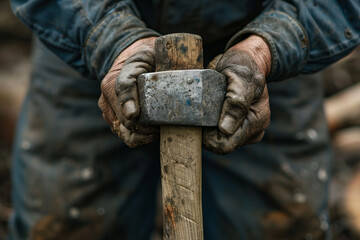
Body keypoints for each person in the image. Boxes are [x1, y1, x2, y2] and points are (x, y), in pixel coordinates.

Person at [9, 0, 360, 239]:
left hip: (264, 56)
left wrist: (271, 44)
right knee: (67, 226)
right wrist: (109, 38)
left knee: (281, 226)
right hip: (89, 30)